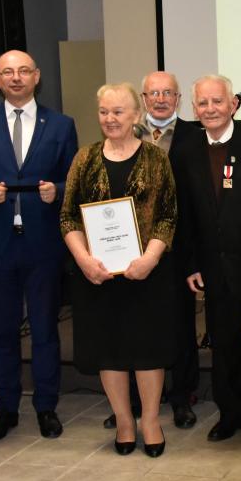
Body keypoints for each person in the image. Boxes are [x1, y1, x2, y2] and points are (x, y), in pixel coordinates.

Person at [0, 50, 78, 442]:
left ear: (36, 76)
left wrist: (57, 190)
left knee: (45, 330)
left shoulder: (61, 124)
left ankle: (46, 406)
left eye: (24, 71)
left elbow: (75, 179)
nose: (16, 78)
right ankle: (6, 407)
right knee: (4, 332)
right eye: (8, 72)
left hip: (43, 242)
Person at [60, 83, 178, 457]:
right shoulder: (84, 158)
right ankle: (125, 421)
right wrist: (84, 259)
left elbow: (168, 215)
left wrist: (150, 259)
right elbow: (67, 216)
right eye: (103, 112)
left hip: (145, 274)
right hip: (97, 275)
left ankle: (150, 421)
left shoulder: (156, 158)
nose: (110, 119)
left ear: (136, 115)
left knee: (146, 349)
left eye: (118, 111)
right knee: (108, 349)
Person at [174, 75, 241, 445]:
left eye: (217, 101)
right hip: (212, 266)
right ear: (194, 109)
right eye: (202, 103)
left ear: (233, 104)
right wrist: (190, 263)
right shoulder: (185, 150)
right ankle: (231, 414)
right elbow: (184, 214)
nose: (210, 109)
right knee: (223, 345)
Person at [139, 71, 199, 430]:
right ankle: (139, 400)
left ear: (178, 100)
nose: (160, 99)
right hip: (134, 248)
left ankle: (182, 397)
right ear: (144, 99)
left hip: (179, 248)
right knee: (137, 325)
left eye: (168, 93)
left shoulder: (196, 136)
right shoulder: (128, 132)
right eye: (154, 93)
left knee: (180, 326)